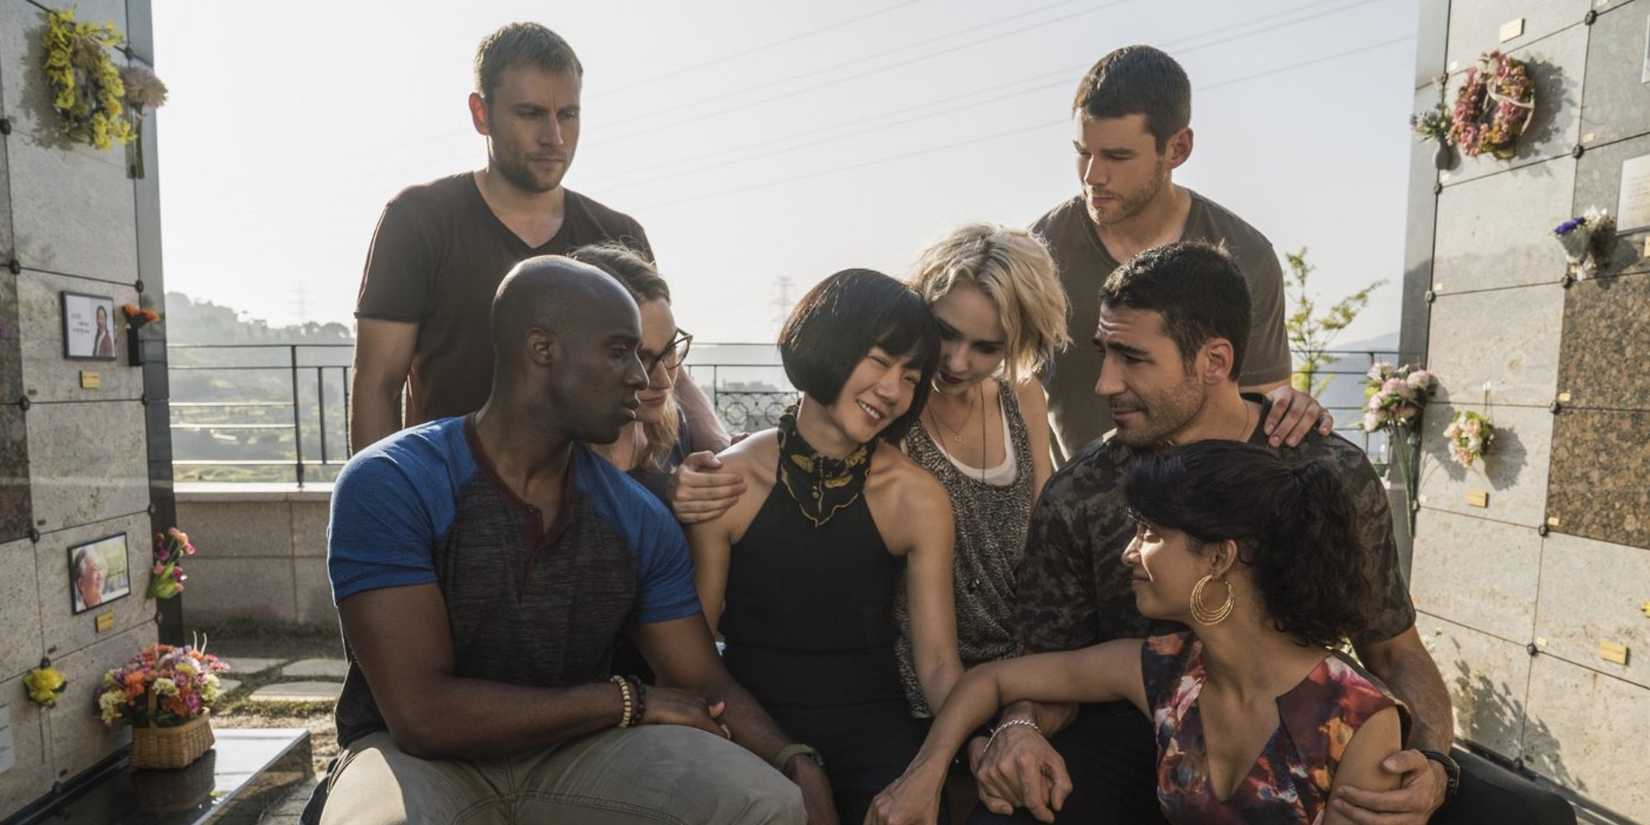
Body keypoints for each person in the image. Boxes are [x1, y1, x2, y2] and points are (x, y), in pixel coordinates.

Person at [304, 256, 830, 825]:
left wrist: (793, 759)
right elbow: (422, 715)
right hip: (411, 758)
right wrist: (626, 700)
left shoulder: (635, 515)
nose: (643, 376)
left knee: (769, 802)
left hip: (579, 752)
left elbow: (701, 676)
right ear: (541, 348)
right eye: (619, 351)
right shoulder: (393, 481)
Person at [969, 243, 1454, 825]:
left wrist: (1432, 767)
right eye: (1104, 353)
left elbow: (1394, 650)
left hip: (1289, 751)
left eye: (1132, 358)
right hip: (1124, 750)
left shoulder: (1325, 473)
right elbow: (1045, 663)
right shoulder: (1080, 493)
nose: (1104, 382)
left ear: (1215, 361)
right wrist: (1019, 728)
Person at [869, 440, 1409, 825]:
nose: (1130, 551)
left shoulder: (1358, 721)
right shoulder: (1164, 669)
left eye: (1150, 533)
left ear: (1219, 558)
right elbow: (989, 681)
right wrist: (926, 773)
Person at [348, 22, 729, 467]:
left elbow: (659, 364)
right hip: (453, 497)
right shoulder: (419, 220)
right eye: (530, 114)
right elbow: (378, 384)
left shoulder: (616, 232)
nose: (554, 137)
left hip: (591, 502)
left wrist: (723, 452)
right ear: (481, 114)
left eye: (567, 114)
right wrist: (382, 510)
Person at [688, 269, 963, 824]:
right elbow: (694, 653)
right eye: (880, 360)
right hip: (751, 729)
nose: (892, 391)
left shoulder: (918, 497)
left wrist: (964, 751)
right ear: (828, 341)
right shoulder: (729, 482)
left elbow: (936, 663)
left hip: (878, 733)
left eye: (911, 377)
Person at [1030, 45, 1327, 461]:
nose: (1092, 176)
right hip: (1075, 511)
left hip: (1200, 510)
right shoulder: (1037, 256)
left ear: (1178, 149)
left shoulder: (1246, 255)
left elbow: (1261, 409)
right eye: (1083, 152)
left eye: (1117, 156)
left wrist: (1292, 408)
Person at [895, 224, 1069, 718]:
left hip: (1024, 676)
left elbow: (1043, 543)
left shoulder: (1023, 395)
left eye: (986, 347)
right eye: (945, 332)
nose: (955, 360)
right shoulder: (887, 407)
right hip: (919, 686)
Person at [571, 243, 712, 502]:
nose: (663, 380)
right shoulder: (546, 459)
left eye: (670, 350)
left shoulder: (673, 427)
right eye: (640, 357)